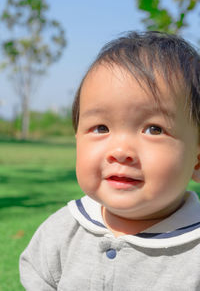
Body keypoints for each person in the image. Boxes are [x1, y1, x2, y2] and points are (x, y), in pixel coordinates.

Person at [20, 31, 200, 290]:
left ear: (197, 160)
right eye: (101, 128)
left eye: (154, 129)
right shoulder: (63, 230)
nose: (120, 150)